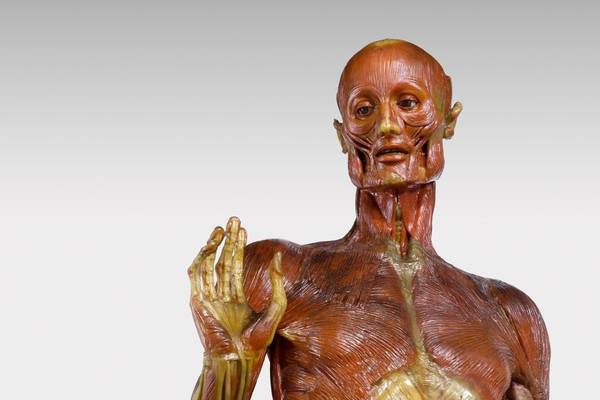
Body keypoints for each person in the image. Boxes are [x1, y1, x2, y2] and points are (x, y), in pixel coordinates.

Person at [187, 39, 550, 400]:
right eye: (363, 110)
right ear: (343, 135)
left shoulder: (510, 313)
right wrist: (227, 363)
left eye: (408, 103)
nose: (387, 125)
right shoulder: (279, 275)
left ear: (448, 120)